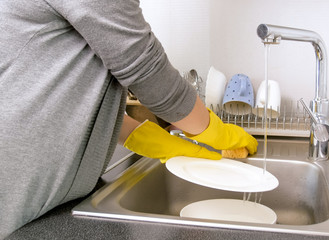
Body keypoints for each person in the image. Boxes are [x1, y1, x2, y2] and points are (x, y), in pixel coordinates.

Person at [0, 0, 258, 238]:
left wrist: (139, 135)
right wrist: (215, 131)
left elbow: (65, 93)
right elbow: (146, 69)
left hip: (39, 200)